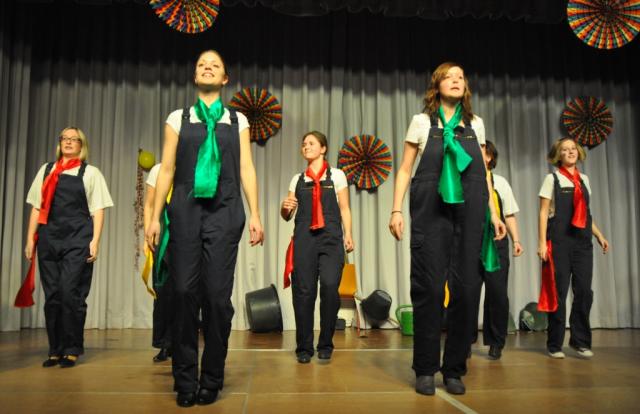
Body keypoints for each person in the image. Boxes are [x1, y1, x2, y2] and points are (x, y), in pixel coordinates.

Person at [146, 49, 264, 408]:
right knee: (183, 292)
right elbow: (166, 169)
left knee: (216, 298)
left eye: (215, 65)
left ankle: (211, 377)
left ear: (225, 78)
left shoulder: (236, 119)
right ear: (195, 76)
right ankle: (185, 379)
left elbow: (246, 167)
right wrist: (154, 216)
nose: (207, 67)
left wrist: (255, 213)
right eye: (201, 64)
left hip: (225, 209)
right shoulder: (178, 117)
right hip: (185, 208)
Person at [388, 62, 506, 396]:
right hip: (431, 211)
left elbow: (483, 174)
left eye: (460, 77)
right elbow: (405, 169)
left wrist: (493, 213)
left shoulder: (476, 124)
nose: (456, 80)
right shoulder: (422, 122)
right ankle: (425, 368)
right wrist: (396, 209)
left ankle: (454, 369)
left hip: (470, 212)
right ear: (436, 85)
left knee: (467, 290)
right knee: (429, 289)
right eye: (448, 76)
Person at [21, 126, 113, 368]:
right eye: (64, 138)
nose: (69, 142)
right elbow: (37, 206)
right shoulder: (46, 170)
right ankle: (55, 350)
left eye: (74, 139)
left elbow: (98, 210)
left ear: (82, 145)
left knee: (70, 292)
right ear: (59, 142)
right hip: (49, 238)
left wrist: (95, 241)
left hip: (77, 239)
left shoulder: (90, 173)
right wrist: (30, 238)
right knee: (52, 295)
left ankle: (71, 349)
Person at [281, 131, 354, 364]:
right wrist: (285, 207)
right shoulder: (297, 179)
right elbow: (287, 215)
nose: (306, 146)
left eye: (311, 143)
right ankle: (303, 347)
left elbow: (344, 208)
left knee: (330, 288)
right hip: (304, 239)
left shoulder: (337, 176)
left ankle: (325, 344)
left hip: (331, 239)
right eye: (304, 144)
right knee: (303, 292)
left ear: (323, 148)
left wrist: (348, 234)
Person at [537, 137, 609, 359]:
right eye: (564, 149)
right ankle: (555, 344)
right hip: (559, 243)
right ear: (558, 155)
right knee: (559, 292)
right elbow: (543, 212)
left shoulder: (584, 180)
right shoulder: (552, 179)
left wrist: (599, 235)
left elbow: (586, 214)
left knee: (584, 292)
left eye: (573, 149)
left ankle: (580, 341)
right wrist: (541, 243)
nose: (570, 152)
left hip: (582, 243)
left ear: (578, 152)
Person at [470, 140, 523, 360]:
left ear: (489, 156)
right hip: (471, 242)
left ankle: (496, 342)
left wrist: (516, 240)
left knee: (497, 293)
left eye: (481, 150)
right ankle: (464, 341)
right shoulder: (466, 180)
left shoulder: (500, 183)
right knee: (468, 293)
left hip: (496, 241)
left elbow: (508, 214)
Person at [143, 163, 173, 362]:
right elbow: (149, 205)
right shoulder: (159, 170)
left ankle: (181, 342)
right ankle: (165, 343)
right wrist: (148, 235)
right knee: (162, 291)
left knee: (186, 291)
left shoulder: (196, 163)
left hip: (187, 233)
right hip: (163, 234)